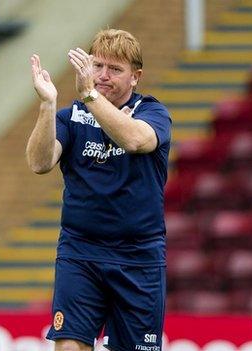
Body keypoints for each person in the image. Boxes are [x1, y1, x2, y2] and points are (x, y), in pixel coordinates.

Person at [26, 29, 171, 351]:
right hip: (80, 251)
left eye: (115, 69)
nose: (103, 76)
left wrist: (91, 96)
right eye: (98, 66)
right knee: (68, 345)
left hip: (138, 256)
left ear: (136, 77)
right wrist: (48, 106)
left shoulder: (153, 112)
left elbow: (135, 140)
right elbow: (39, 163)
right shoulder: (70, 117)